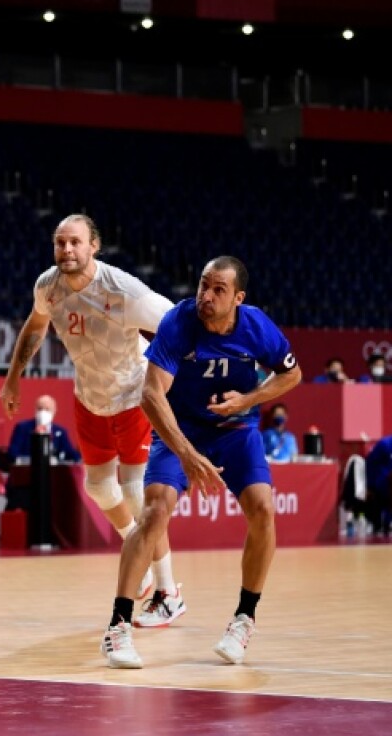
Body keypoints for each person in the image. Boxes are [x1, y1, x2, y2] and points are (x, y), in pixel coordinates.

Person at [100, 256, 302, 669]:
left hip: (235, 429)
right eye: (203, 286)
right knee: (154, 511)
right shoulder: (179, 322)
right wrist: (188, 455)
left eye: (218, 290)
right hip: (182, 429)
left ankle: (244, 619)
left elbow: (291, 375)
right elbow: (152, 396)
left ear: (238, 299)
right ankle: (118, 626)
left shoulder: (257, 326)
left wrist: (248, 400)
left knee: (263, 508)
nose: (206, 296)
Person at [0, 214, 177, 607]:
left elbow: (176, 325)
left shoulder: (122, 289)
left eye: (75, 242)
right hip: (90, 397)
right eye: (60, 243)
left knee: (134, 490)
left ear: (93, 245)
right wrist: (14, 376)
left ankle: (167, 590)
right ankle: (138, 554)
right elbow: (35, 326)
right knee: (97, 487)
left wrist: (191, 375)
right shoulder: (48, 286)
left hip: (133, 395)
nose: (67, 250)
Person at [7, 395, 81, 463]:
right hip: (27, 471)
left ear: (54, 412)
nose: (43, 412)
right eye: (40, 408)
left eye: (47, 409)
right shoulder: (22, 428)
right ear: (35, 410)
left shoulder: (60, 432)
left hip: (53, 473)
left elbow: (72, 455)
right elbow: (12, 453)